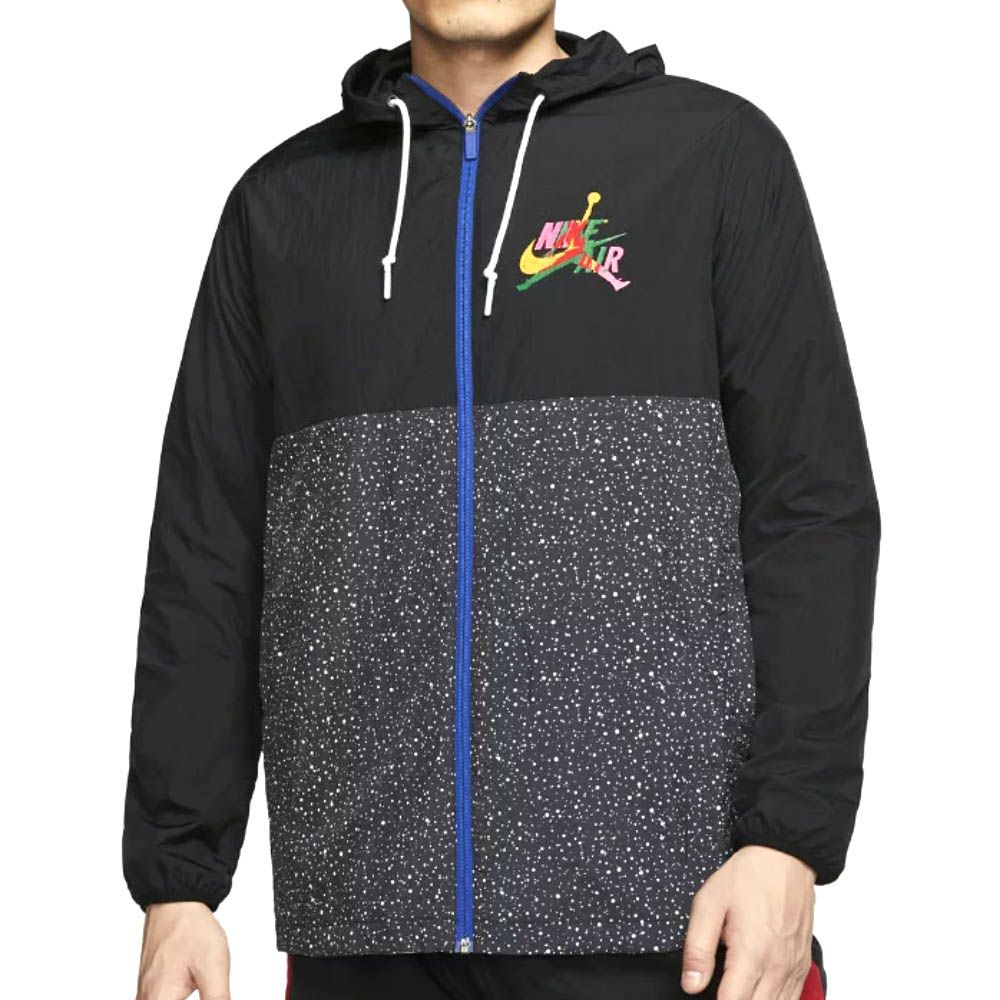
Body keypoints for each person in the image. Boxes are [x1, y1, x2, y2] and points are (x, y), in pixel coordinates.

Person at [123, 2, 879, 998]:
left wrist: (787, 838)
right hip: (369, 935)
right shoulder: (283, 206)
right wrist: (180, 880)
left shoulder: (712, 156)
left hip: (678, 923)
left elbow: (812, 512)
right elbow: (208, 552)